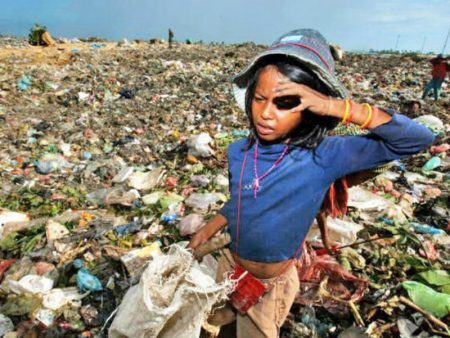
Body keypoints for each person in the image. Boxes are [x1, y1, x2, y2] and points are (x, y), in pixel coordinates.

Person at [188, 29, 434, 338]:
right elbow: (245, 197)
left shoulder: (324, 155)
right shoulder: (239, 151)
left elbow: (418, 139)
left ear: (310, 106)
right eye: (260, 99)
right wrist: (209, 228)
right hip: (230, 269)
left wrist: (338, 107)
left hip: (269, 287)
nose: (265, 114)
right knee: (220, 329)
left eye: (284, 103)